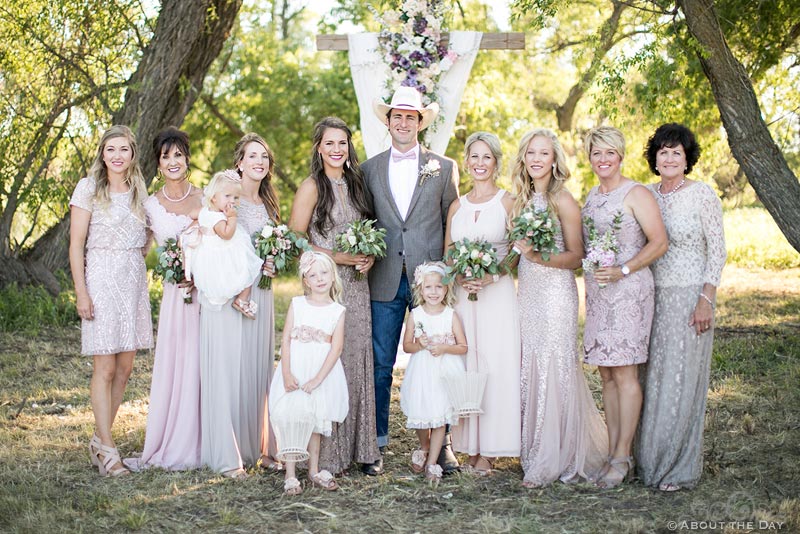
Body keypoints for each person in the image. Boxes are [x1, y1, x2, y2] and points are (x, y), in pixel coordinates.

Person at [362, 86, 460, 475]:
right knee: (381, 364)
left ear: (420, 122)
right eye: (397, 116)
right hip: (384, 276)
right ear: (387, 122)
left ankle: (443, 444)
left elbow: (450, 218)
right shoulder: (368, 169)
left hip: (430, 283)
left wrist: (448, 268)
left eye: (411, 116)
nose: (403, 122)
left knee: (439, 359)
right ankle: (376, 444)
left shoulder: (444, 167)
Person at [512, 128, 608, 488]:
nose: (537, 159)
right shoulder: (520, 200)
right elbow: (515, 253)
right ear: (523, 158)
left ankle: (556, 456)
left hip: (555, 294)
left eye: (544, 154)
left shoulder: (564, 200)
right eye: (531, 153)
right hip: (528, 292)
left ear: (555, 161)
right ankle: (534, 449)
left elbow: (577, 257)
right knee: (531, 362)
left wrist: (537, 255)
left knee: (555, 365)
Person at [288, 117, 381, 475]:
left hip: (356, 286)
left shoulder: (357, 184)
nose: (336, 149)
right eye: (329, 143)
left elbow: (367, 230)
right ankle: (324, 455)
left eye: (342, 143)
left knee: (355, 359)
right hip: (323, 286)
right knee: (327, 360)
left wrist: (368, 254)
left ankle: (360, 448)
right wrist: (335, 257)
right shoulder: (312, 186)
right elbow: (297, 239)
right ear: (319, 148)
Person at [637, 123, 726, 491]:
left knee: (680, 379)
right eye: (663, 151)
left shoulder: (702, 195)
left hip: (691, 297)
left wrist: (706, 299)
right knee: (650, 378)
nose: (670, 157)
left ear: (687, 158)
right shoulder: (645, 196)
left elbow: (718, 251)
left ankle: (676, 466)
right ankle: (645, 460)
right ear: (654, 159)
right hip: (649, 296)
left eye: (677, 151)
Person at [580, 126, 668, 488]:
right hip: (600, 293)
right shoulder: (590, 196)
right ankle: (613, 452)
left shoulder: (637, 193)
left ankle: (623, 455)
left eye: (609, 153)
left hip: (630, 290)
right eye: (596, 153)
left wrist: (624, 269)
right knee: (606, 374)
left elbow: (660, 241)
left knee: (626, 374)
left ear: (620, 155)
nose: (603, 160)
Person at [69, 125, 153, 477]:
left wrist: (139, 255)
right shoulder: (88, 188)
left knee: (125, 368)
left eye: (124, 150)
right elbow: (75, 245)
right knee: (103, 368)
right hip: (101, 279)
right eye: (110, 149)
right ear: (102, 154)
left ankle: (100, 441)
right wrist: (82, 292)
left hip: (133, 281)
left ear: (132, 155)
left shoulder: (138, 190)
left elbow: (150, 232)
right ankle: (108, 450)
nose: (117, 156)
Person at [125, 127, 203, 472]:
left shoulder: (205, 198)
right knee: (176, 363)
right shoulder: (150, 206)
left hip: (205, 294)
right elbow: (138, 249)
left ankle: (205, 437)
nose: (173, 161)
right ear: (158, 164)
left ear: (187, 159)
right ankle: (172, 439)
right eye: (165, 156)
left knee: (203, 363)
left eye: (178, 155)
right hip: (175, 297)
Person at [446, 131, 521, 474]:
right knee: (469, 368)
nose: (479, 164)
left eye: (486, 157)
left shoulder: (508, 201)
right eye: (473, 157)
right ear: (466, 162)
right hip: (464, 298)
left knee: (496, 365)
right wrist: (459, 276)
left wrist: (492, 276)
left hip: (498, 296)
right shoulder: (457, 206)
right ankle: (469, 445)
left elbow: (520, 250)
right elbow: (448, 253)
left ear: (496, 162)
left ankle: (490, 450)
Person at [194, 169, 263, 478]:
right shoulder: (209, 216)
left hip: (232, 257)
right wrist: (233, 218)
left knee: (250, 269)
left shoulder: (225, 215)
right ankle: (238, 296)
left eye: (236, 198)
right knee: (239, 270)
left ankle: (243, 296)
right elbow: (226, 234)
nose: (232, 202)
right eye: (227, 198)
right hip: (218, 267)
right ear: (213, 198)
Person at [269, 251, 349, 495]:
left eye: (324, 273)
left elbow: (336, 348)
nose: (320, 279)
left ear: (333, 276)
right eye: (313, 275)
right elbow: (285, 339)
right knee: (293, 417)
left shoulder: (337, 310)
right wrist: (285, 372)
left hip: (320, 372)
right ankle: (291, 473)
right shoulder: (297, 303)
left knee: (315, 420)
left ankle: (313, 470)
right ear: (306, 280)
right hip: (296, 368)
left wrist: (318, 379)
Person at [234, 133, 282, 470]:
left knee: (261, 364)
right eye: (252, 156)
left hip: (263, 290)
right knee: (238, 365)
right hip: (237, 291)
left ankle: (264, 445)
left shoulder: (268, 203)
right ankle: (237, 445)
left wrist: (273, 261)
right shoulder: (229, 198)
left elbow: (274, 247)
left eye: (264, 157)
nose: (259, 162)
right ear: (239, 162)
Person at [400, 262, 468, 483]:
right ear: (420, 289)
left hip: (445, 371)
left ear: (446, 289)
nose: (434, 292)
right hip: (422, 370)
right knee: (422, 413)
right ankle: (425, 446)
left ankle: (432, 464)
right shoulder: (416, 314)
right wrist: (419, 344)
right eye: (428, 287)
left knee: (440, 416)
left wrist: (444, 348)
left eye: (439, 287)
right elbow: (406, 346)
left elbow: (463, 346)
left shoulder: (450, 315)